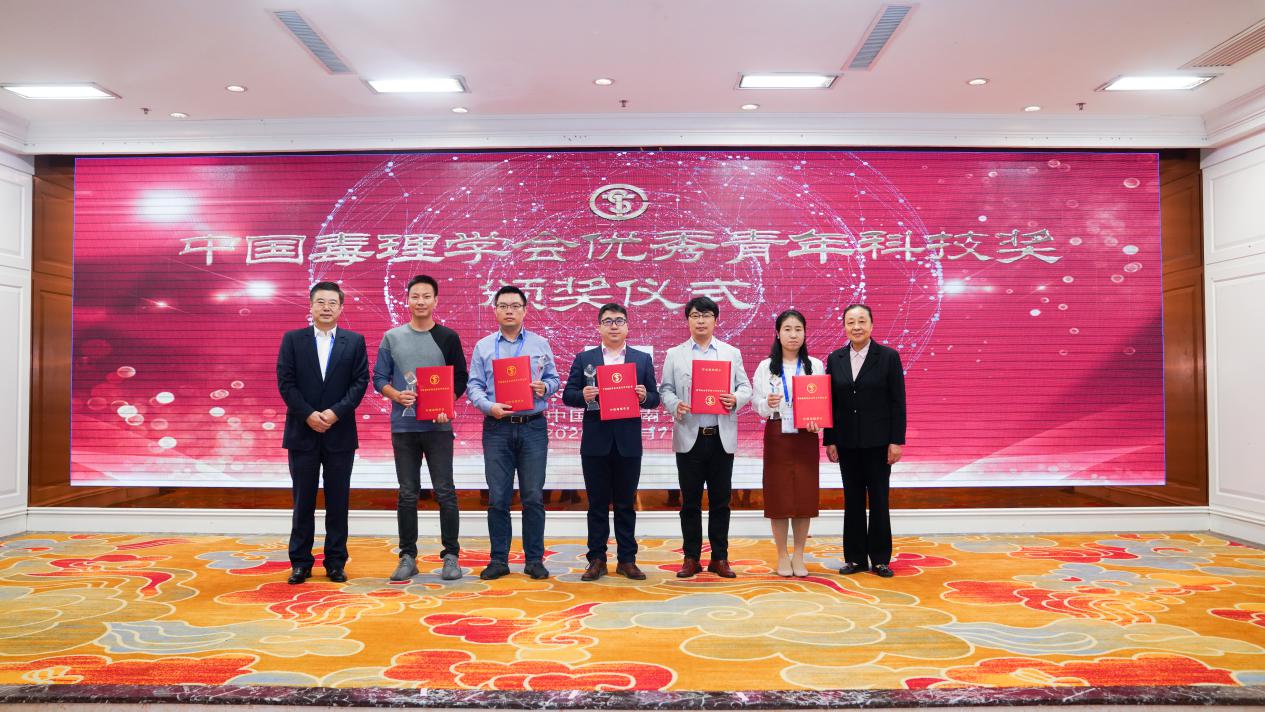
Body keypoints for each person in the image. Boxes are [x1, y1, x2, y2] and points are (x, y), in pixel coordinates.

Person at [372, 275, 469, 582]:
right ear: (407, 300)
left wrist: (447, 405)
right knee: (407, 493)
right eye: (415, 296)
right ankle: (407, 556)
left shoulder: (448, 337)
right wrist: (396, 395)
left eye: (427, 296)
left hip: (438, 428)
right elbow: (379, 378)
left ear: (436, 301)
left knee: (445, 491)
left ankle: (451, 556)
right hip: (404, 427)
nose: (421, 301)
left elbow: (461, 378)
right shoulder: (392, 337)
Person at [275, 281, 369, 585]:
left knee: (338, 500)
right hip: (302, 432)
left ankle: (335, 561)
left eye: (332, 303)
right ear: (311, 305)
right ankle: (300, 562)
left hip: (340, 432)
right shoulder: (293, 339)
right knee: (303, 500)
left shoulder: (354, 341)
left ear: (341, 308)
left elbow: (360, 383)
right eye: (321, 302)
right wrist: (308, 414)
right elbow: (286, 382)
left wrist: (334, 413)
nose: (326, 308)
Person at [466, 285, 562, 580]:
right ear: (495, 310)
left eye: (515, 306)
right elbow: (474, 385)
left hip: (533, 426)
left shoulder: (540, 343)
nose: (509, 311)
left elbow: (554, 379)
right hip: (497, 428)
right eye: (503, 306)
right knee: (498, 497)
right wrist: (488, 406)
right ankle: (498, 560)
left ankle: (534, 560)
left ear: (525, 310)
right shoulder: (483, 346)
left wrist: (545, 387)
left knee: (532, 495)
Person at [562, 303, 660, 581]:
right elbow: (568, 395)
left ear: (627, 326)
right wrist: (583, 395)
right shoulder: (585, 358)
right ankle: (597, 559)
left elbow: (655, 398)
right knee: (596, 504)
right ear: (599, 327)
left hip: (628, 443)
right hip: (596, 442)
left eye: (619, 321)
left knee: (626, 504)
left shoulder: (641, 360)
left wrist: (644, 396)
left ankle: (627, 560)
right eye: (608, 321)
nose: (614, 326)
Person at [658, 296, 752, 578]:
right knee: (690, 502)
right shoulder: (675, 354)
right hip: (690, 436)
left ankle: (720, 558)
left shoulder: (730, 353)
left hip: (721, 437)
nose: (701, 321)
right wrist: (675, 404)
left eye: (706, 315)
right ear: (688, 320)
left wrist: (735, 398)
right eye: (695, 316)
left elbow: (745, 387)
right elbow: (665, 389)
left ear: (715, 320)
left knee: (721, 502)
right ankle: (691, 557)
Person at [823, 303, 907, 578]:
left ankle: (880, 558)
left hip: (879, 444)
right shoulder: (835, 358)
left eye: (861, 321)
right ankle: (856, 558)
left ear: (871, 325)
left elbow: (897, 402)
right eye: (850, 322)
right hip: (847, 443)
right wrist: (830, 440)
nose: (856, 327)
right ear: (844, 326)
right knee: (853, 501)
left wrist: (896, 441)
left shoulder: (888, 357)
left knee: (880, 500)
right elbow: (830, 403)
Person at [751, 309, 824, 578]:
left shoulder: (815, 365)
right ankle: (782, 554)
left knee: (805, 495)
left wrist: (818, 421)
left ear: (805, 333)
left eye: (798, 329)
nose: (793, 335)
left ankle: (799, 554)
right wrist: (766, 403)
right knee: (779, 496)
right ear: (777, 334)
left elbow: (822, 402)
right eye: (787, 329)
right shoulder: (765, 366)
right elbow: (756, 404)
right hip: (777, 433)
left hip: (806, 436)